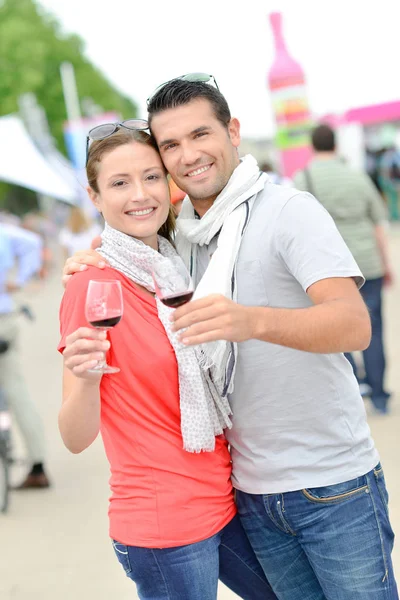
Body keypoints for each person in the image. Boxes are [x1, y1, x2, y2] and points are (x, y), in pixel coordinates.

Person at [63, 76, 398, 600]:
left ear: (233, 131)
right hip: (248, 494)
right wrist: (91, 257)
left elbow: (354, 325)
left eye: (201, 134)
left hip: (331, 486)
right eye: (170, 145)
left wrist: (253, 321)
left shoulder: (288, 211)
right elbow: (128, 237)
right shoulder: (183, 243)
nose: (188, 154)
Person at [58, 127, 275, 600]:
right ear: (94, 197)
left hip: (224, 498)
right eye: (119, 183)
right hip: (163, 526)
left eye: (151, 177)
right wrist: (86, 379)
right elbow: (74, 438)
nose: (140, 195)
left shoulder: (178, 267)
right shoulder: (91, 285)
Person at [293, 124, 393, 414]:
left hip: (329, 268)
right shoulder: (357, 176)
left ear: (312, 146)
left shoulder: (303, 178)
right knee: (373, 329)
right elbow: (378, 223)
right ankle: (380, 396)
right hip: (368, 263)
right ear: (335, 144)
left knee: (339, 328)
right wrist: (386, 264)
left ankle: (354, 387)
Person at [0, 221, 50, 488]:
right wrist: (18, 280)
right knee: (16, 390)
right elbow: (33, 243)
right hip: (4, 317)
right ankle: (37, 462)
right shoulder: (5, 232)